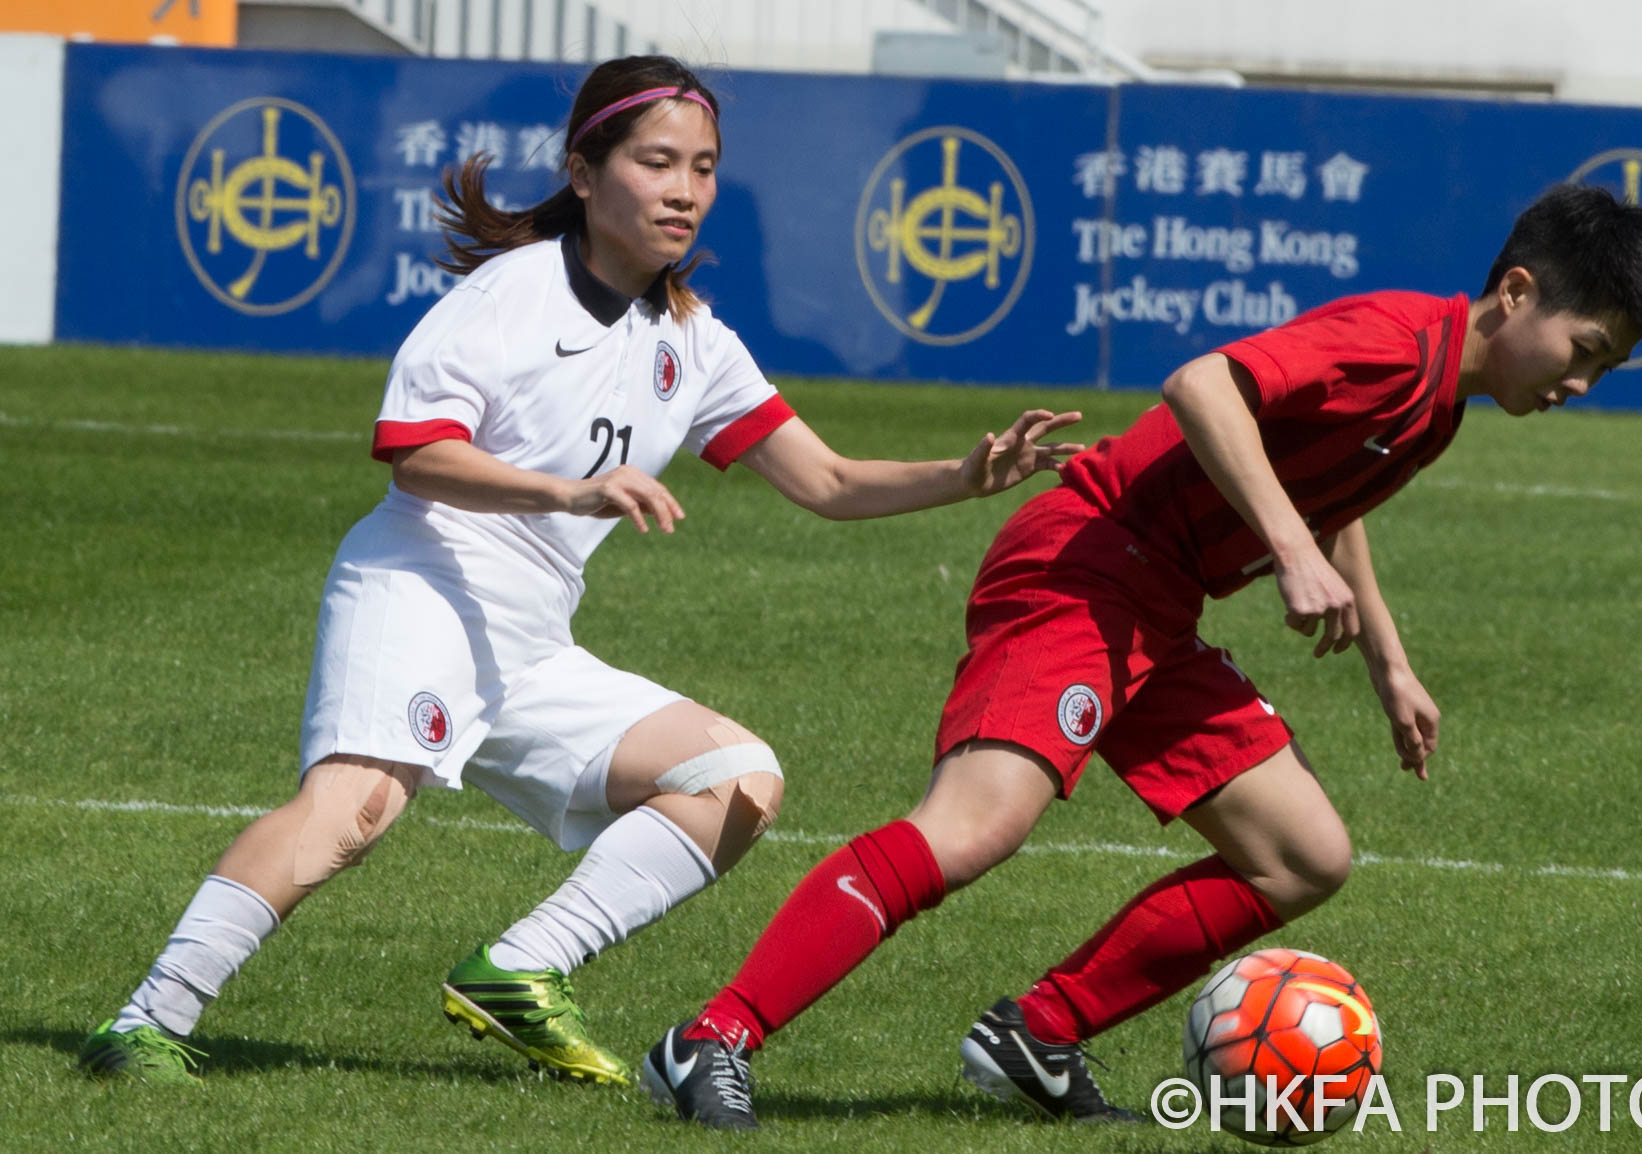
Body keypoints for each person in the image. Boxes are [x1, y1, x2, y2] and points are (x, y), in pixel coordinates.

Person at [76, 55, 1082, 1086]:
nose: (684, 188)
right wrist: (570, 489)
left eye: (702, 167)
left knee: (737, 779)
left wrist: (965, 474)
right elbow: (416, 450)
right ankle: (146, 1018)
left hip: (527, 640)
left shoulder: (693, 340)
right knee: (355, 807)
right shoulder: (508, 295)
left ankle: (521, 968)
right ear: (586, 172)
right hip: (421, 583)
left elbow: (824, 478)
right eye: (655, 162)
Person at [642, 183, 1642, 1129]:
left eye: (1604, 363)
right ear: (1515, 292)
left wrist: (1389, 660)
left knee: (1301, 852)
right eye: (1586, 346)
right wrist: (1286, 551)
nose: (1584, 381)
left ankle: (1036, 1033)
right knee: (974, 824)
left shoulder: (1437, 401)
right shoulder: (1391, 340)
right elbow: (1203, 385)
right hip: (1081, 564)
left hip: (1157, 603)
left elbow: (1330, 490)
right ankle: (710, 1039)